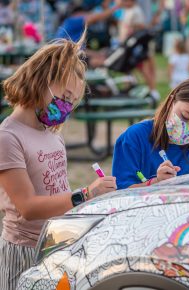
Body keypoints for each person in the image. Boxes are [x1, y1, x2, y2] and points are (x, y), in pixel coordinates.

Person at [0, 34, 117, 290]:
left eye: (72, 102)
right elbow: (27, 207)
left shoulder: (52, 134)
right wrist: (86, 193)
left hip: (56, 244)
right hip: (24, 251)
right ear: (41, 80)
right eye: (64, 96)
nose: (66, 107)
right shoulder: (8, 137)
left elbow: (59, 192)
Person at [112, 76, 189, 189]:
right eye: (185, 116)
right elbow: (120, 193)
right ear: (171, 102)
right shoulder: (135, 138)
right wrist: (156, 183)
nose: (187, 129)